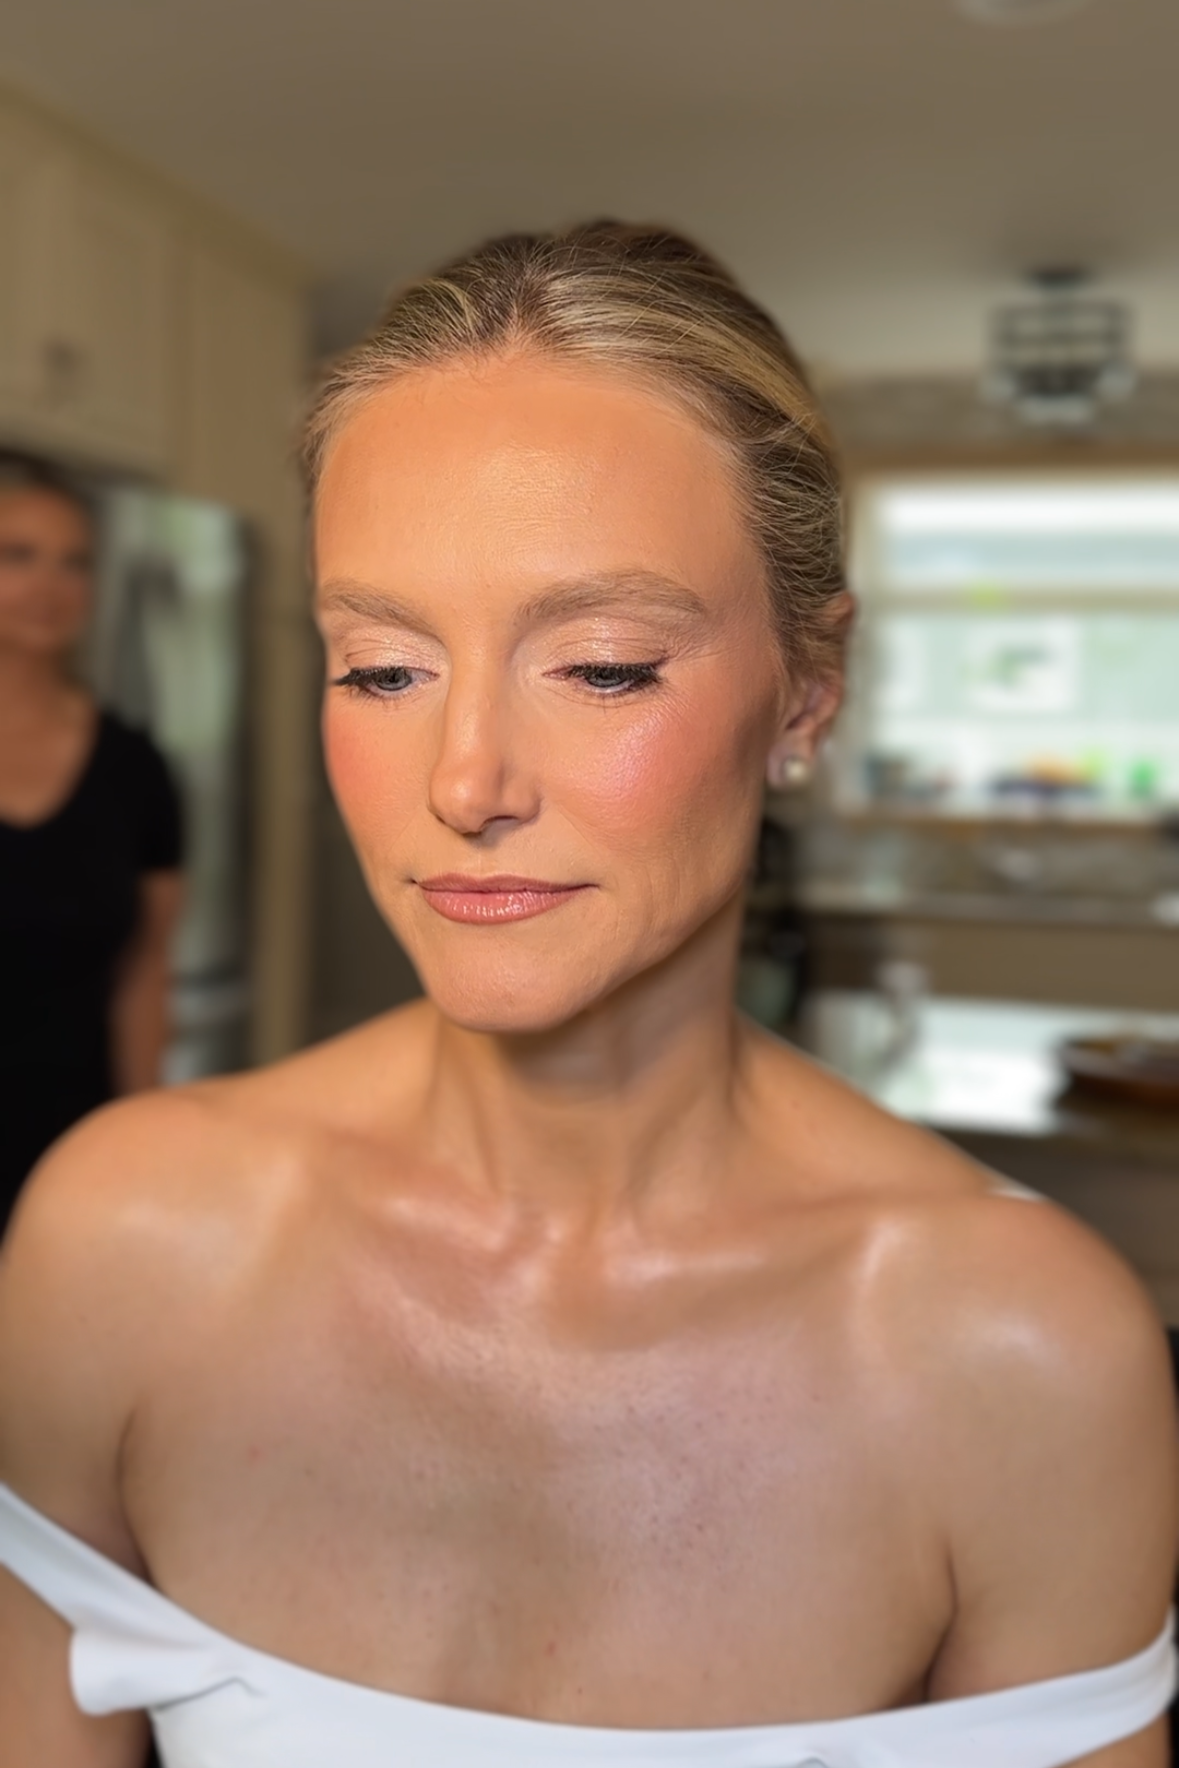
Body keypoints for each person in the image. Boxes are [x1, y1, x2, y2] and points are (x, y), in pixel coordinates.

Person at [0, 224, 1175, 1768]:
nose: (464, 782)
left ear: (804, 692)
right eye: (382, 669)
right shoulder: (123, 1243)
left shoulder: (1018, 1355)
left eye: (603, 666)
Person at [0, 458, 184, 1227]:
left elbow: (144, 974)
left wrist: (139, 1146)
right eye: (17, 555)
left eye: (74, 563)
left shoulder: (134, 768)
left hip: (72, 1150)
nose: (49, 585)